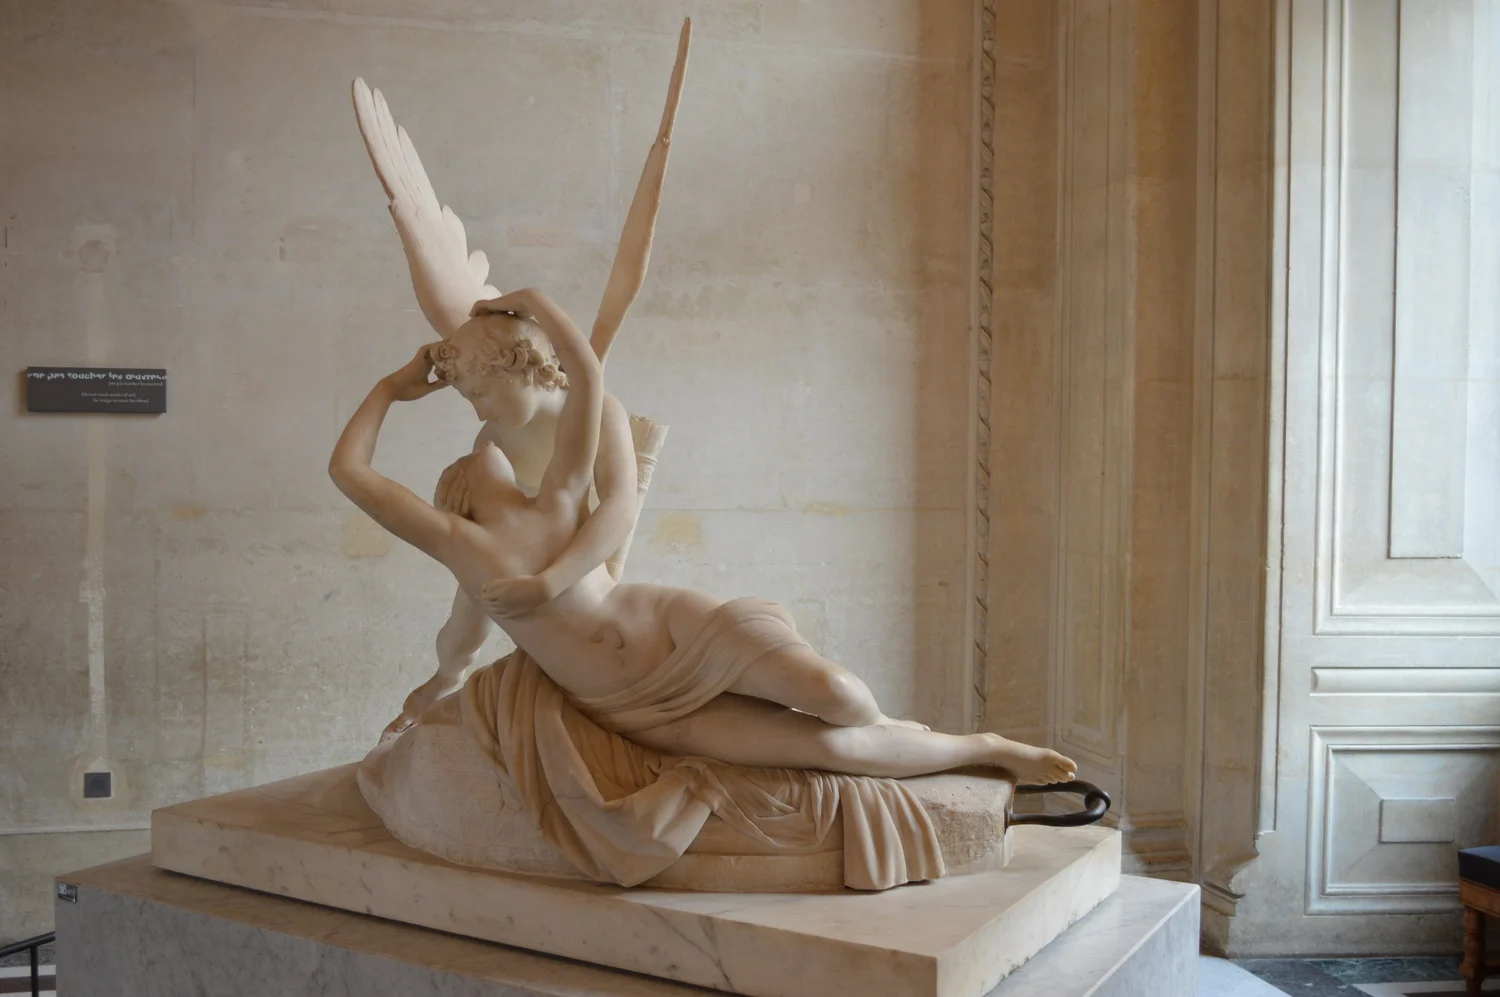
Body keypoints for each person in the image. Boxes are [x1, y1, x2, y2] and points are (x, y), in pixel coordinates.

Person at [328, 288, 1077, 785]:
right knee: (825, 748)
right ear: (456, 498)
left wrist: (534, 305)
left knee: (841, 699)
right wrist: (389, 389)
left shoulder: (557, 496)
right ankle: (981, 751)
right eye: (468, 460)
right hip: (631, 704)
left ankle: (918, 732)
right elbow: (353, 476)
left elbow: (586, 378)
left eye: (480, 402)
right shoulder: (460, 551)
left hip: (673, 627)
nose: (480, 436)